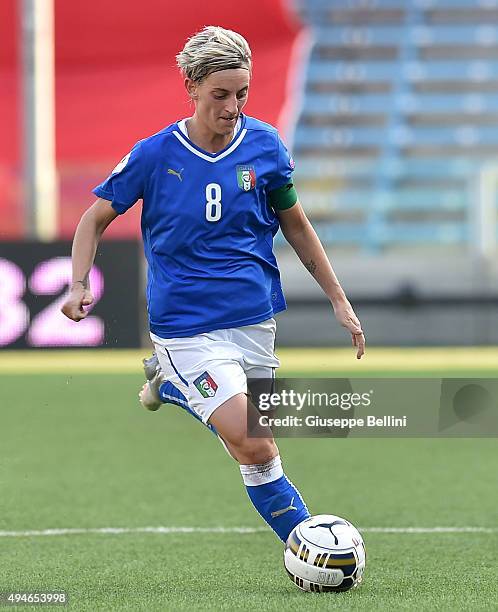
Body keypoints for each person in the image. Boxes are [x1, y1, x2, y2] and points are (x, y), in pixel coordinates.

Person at [61, 26, 365, 543]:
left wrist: (339, 299)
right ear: (192, 87)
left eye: (242, 93)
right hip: (187, 327)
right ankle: (312, 547)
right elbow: (93, 219)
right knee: (256, 442)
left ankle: (174, 388)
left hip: (253, 320)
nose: (232, 106)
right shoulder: (155, 155)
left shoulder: (266, 145)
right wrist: (76, 283)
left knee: (252, 453)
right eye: (220, 94)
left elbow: (295, 223)